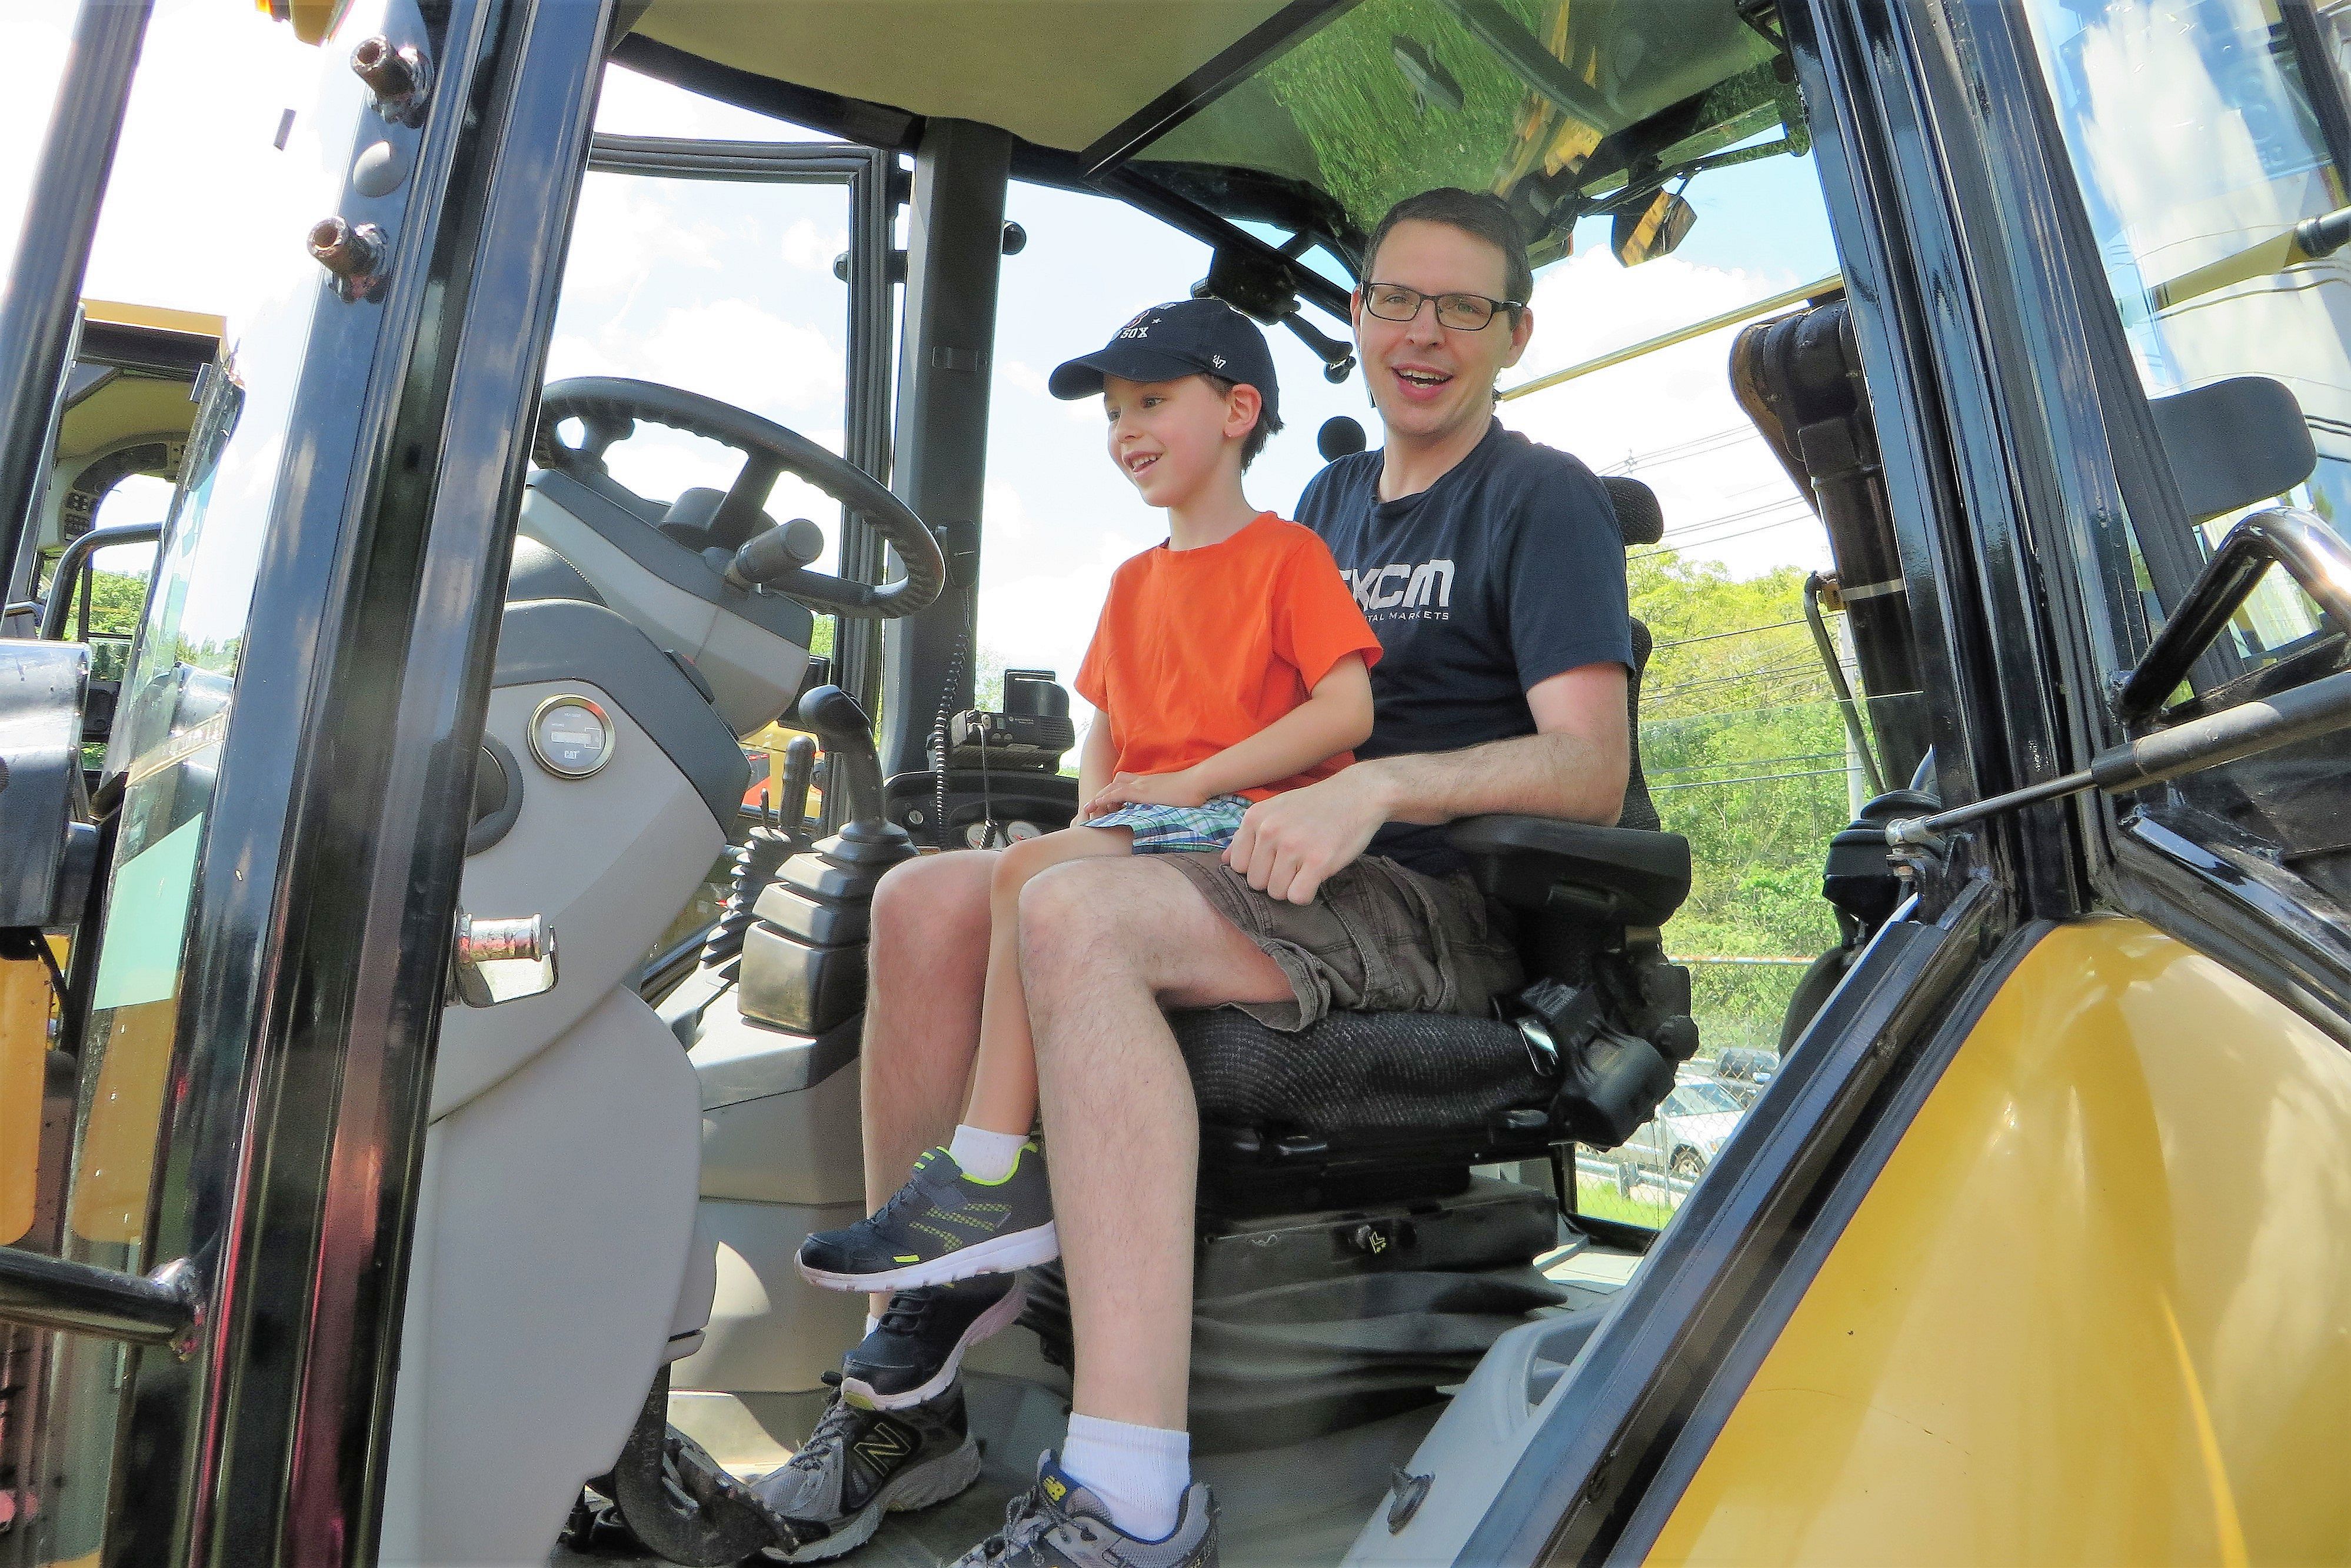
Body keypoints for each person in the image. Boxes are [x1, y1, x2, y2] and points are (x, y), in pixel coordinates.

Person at [757, 188, 1633, 1568]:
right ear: (1359, 318)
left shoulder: (1544, 498)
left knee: (1075, 915)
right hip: (1258, 858)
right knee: (923, 898)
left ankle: (1128, 1495)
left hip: (1427, 900)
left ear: (1513, 334)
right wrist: (1130, 797)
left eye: (1465, 307)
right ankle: (907, 1398)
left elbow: (1587, 765)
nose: (1425, 332)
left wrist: (1378, 785)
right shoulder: (1327, 505)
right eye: (1396, 300)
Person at [753, 299, 1380, 1560]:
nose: (1126, 429)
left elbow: (1344, 713)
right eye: (1114, 413)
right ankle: (911, 1364)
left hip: (1243, 827)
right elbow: (1108, 728)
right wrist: (1105, 798)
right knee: (915, 891)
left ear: (1238, 410)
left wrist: (1186, 785)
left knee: (1037, 877)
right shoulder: (1133, 582)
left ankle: (986, 1175)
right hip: (1148, 822)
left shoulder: (1287, 559)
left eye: (1152, 402)